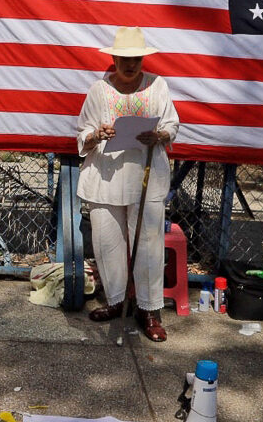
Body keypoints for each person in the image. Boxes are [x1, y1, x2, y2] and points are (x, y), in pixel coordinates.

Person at [76, 26, 180, 342]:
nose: (130, 64)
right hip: (105, 175)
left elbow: (172, 125)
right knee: (107, 243)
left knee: (148, 244)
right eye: (124, 58)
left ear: (142, 59)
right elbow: (82, 132)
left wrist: (159, 135)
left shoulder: (157, 87)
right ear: (114, 58)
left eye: (135, 58)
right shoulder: (98, 91)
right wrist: (97, 135)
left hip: (145, 174)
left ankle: (149, 309)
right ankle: (117, 299)